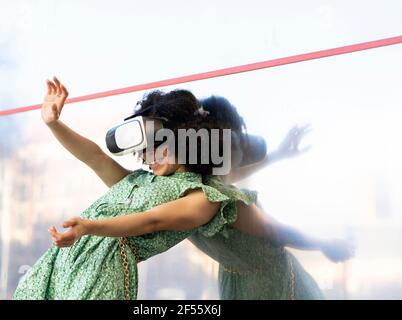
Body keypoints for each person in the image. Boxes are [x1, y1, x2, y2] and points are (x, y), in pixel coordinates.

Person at [13, 78, 255, 300]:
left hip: (101, 273)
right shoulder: (137, 180)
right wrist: (54, 124)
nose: (149, 156)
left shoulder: (203, 197)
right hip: (64, 262)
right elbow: (95, 157)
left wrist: (89, 227)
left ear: (185, 140)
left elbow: (152, 221)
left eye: (157, 146)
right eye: (144, 150)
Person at [131, 95, 354, 299]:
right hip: (251, 283)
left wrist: (326, 244)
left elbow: (273, 228)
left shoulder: (209, 191)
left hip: (275, 286)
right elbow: (275, 230)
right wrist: (325, 244)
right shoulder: (197, 189)